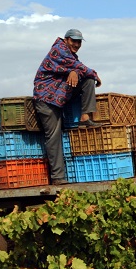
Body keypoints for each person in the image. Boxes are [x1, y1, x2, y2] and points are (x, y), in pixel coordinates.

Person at [32, 28, 103, 185]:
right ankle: (57, 177)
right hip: (46, 100)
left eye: (79, 42)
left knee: (87, 80)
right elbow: (81, 67)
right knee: (54, 137)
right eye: (74, 41)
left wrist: (75, 72)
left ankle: (85, 116)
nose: (77, 44)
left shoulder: (70, 55)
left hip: (59, 97)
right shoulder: (59, 50)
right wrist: (92, 74)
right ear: (66, 40)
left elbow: (77, 66)